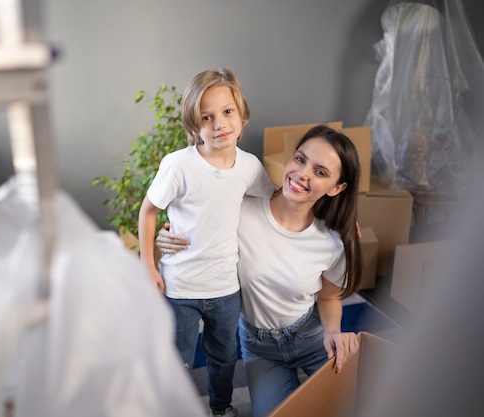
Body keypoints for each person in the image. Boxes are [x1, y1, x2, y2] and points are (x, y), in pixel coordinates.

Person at [156, 124, 362, 417]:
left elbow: (329, 298)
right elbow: (188, 229)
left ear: (337, 188)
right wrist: (164, 238)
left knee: (360, 403)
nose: (302, 174)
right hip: (259, 347)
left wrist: (333, 331)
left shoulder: (332, 240)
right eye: (301, 159)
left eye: (320, 172)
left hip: (311, 337)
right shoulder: (238, 209)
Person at [138, 68, 275, 417]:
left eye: (227, 112)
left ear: (242, 115)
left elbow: (272, 204)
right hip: (181, 285)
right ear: (193, 125)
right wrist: (148, 265)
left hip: (226, 285)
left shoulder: (249, 166)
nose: (219, 124)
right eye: (207, 117)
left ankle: (220, 406)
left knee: (224, 355)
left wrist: (331, 218)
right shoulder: (178, 165)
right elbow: (149, 211)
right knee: (179, 360)